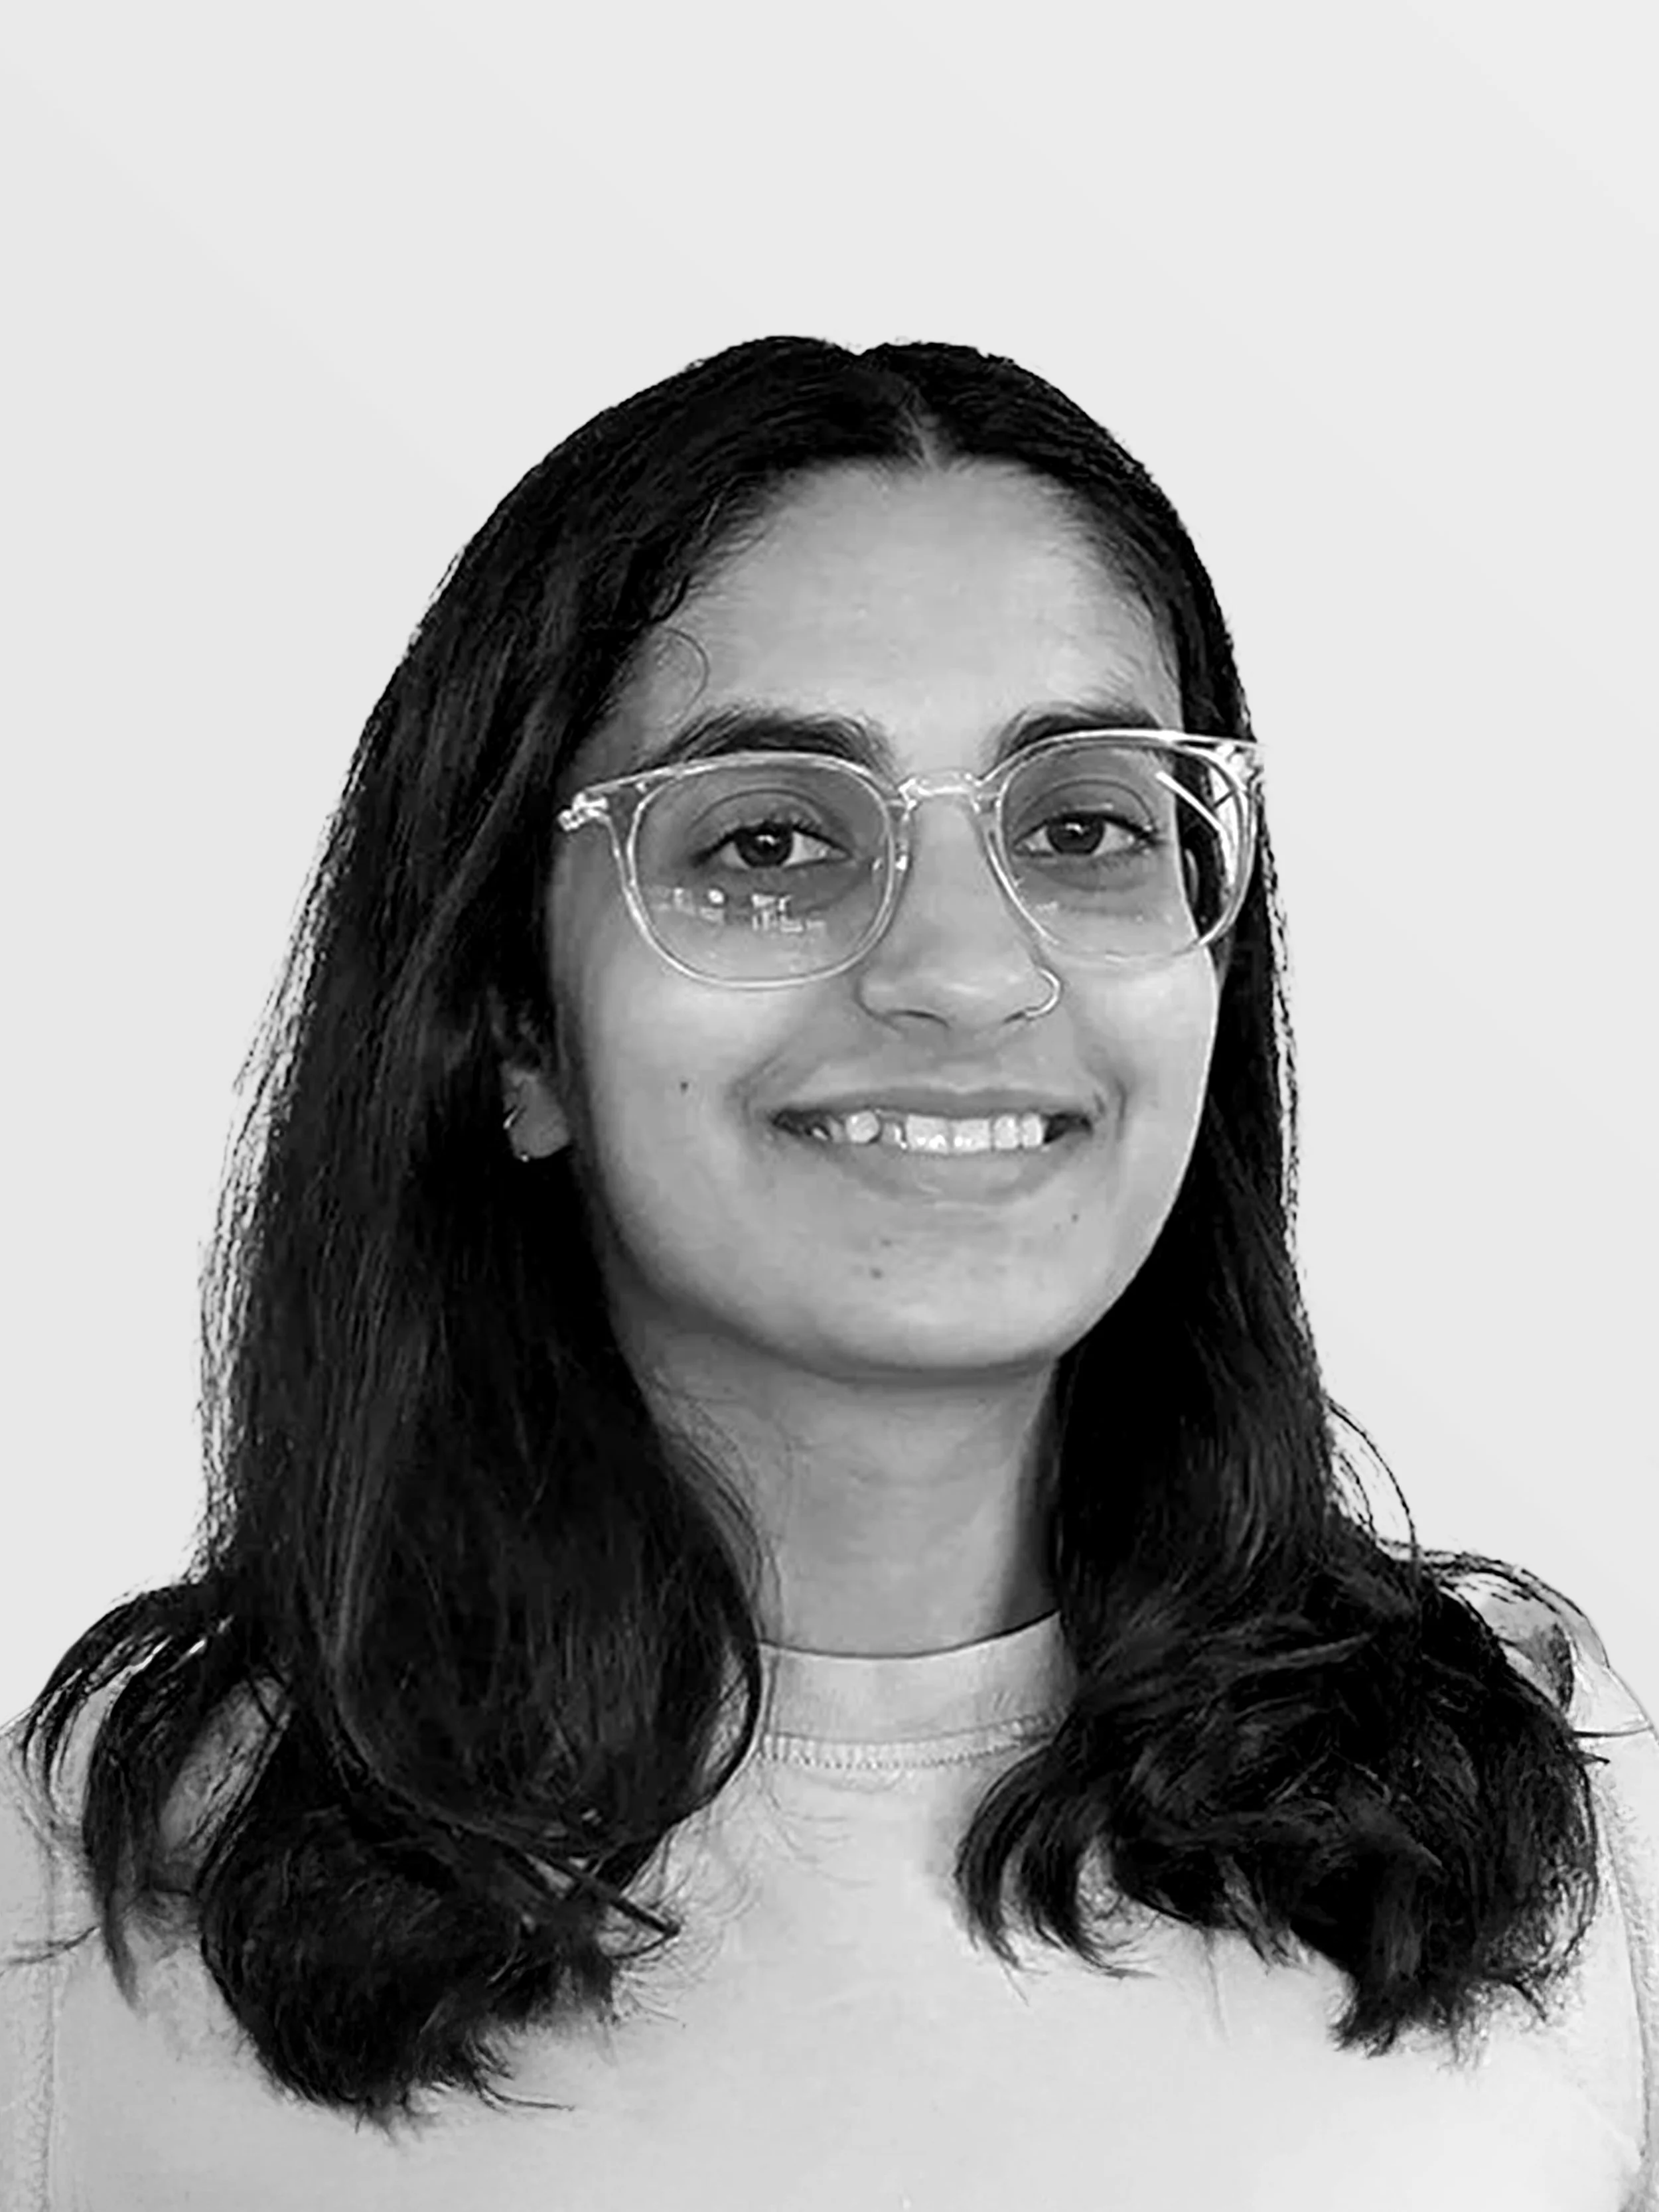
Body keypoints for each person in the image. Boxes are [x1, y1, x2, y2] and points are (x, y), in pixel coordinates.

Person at [1, 336, 1654, 2209]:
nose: (962, 969)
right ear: (510, 1026)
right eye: (769, 841)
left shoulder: (1561, 1815)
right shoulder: (79, 1916)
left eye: (1087, 826)